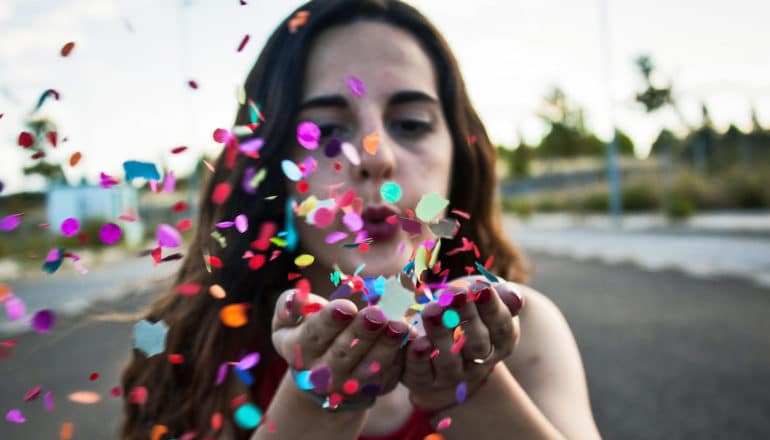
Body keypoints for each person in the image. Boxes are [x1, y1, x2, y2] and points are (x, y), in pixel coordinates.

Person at [120, 1, 601, 439]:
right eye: (326, 130)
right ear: (273, 163)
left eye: (411, 123)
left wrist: (473, 392)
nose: (377, 158)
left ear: (458, 153)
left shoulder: (529, 328)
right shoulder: (205, 345)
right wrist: (315, 407)